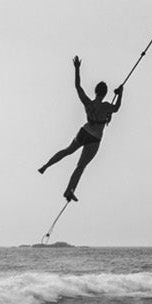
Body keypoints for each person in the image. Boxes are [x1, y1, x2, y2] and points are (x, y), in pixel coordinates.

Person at [39, 57, 124, 202]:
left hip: (83, 132)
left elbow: (78, 86)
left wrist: (77, 68)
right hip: (94, 138)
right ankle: (68, 190)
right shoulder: (106, 107)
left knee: (67, 151)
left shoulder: (88, 103)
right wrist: (121, 93)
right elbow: (116, 108)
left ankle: (46, 166)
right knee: (81, 166)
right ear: (104, 93)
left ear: (96, 91)